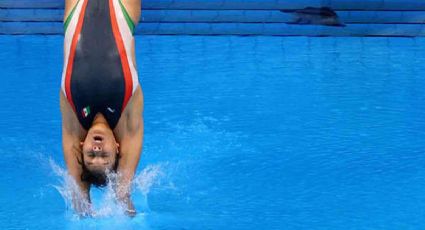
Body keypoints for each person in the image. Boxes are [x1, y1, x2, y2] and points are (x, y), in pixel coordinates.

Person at [60, 0, 143, 216]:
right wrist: (122, 195)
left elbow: (79, 196)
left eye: (90, 156)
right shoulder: (126, 115)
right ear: (117, 147)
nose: (97, 151)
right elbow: (123, 195)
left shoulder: (74, 115)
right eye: (104, 157)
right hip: (120, 8)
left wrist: (83, 202)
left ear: (82, 144)